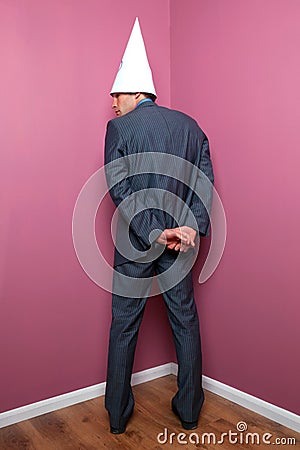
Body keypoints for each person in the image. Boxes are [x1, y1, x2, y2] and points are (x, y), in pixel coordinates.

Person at [104, 18, 214, 434]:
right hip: (178, 247)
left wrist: (153, 232)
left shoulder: (119, 128)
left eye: (117, 93)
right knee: (184, 320)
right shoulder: (190, 127)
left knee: (123, 324)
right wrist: (189, 228)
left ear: (135, 92)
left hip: (137, 243)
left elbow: (122, 190)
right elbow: (205, 184)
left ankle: (117, 415)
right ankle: (189, 411)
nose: (113, 102)